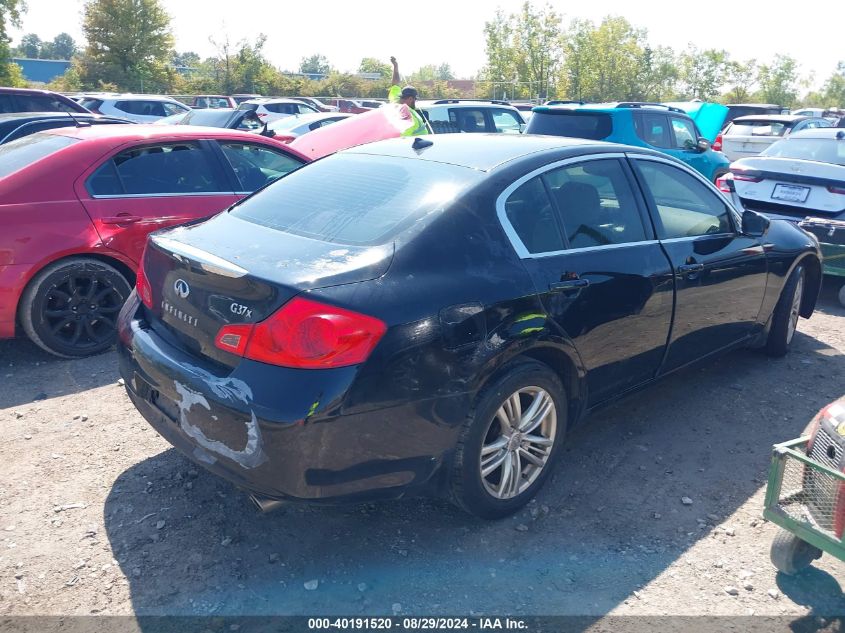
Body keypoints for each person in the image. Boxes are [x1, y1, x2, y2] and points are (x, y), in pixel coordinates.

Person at [387, 56, 430, 136]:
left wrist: (395, 66)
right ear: (410, 99)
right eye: (414, 100)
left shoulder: (395, 101)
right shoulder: (410, 117)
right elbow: (401, 139)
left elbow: (395, 84)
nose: (415, 103)